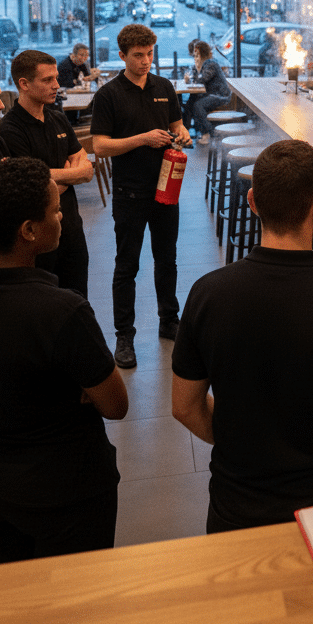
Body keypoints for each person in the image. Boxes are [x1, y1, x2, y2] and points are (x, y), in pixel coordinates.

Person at [171, 139, 313, 533]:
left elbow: (184, 407)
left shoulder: (207, 295)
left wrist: (238, 443)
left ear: (252, 202)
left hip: (236, 508)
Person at [0, 158, 127, 564]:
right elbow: (115, 404)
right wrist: (75, 388)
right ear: (29, 230)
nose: (62, 217)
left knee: (11, 589)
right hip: (63, 487)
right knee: (76, 594)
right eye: (55, 211)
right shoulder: (62, 310)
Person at [91, 24, 193, 368]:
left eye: (150, 53)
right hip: (129, 192)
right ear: (122, 55)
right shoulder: (108, 95)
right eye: (138, 55)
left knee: (167, 259)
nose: (146, 61)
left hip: (166, 187)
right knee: (127, 265)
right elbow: (100, 146)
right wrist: (143, 139)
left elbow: (177, 124)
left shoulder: (164, 87)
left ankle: (169, 321)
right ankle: (124, 336)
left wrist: (182, 134)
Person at [0, 50, 93, 298]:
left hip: (71, 228)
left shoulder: (58, 118)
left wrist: (52, 178)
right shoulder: (9, 129)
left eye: (56, 78)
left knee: (78, 299)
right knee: (43, 303)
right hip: (36, 238)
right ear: (24, 84)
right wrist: (70, 174)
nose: (56, 85)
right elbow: (31, 186)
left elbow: (86, 169)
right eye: (48, 80)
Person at [183, 39, 230, 146]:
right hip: (212, 94)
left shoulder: (211, 64)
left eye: (196, 55)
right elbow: (195, 78)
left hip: (220, 95)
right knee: (191, 103)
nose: (195, 57)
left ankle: (210, 133)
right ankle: (189, 133)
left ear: (201, 54)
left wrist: (195, 72)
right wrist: (194, 71)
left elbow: (202, 79)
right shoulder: (205, 64)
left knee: (197, 105)